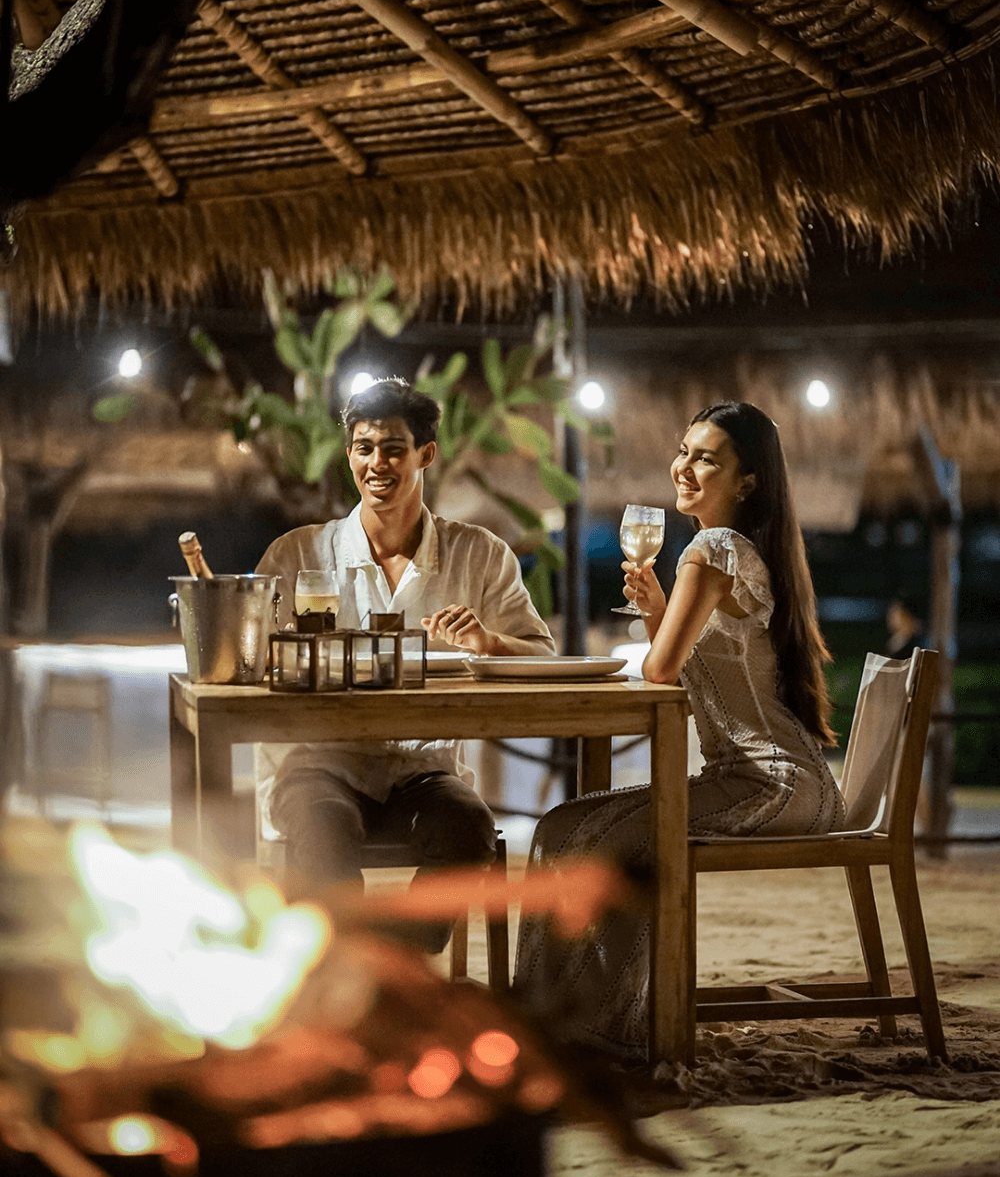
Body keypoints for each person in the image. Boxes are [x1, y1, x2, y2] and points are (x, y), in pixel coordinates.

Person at [513, 401, 844, 1058]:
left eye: (706, 457)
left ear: (747, 480)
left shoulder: (714, 547)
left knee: (593, 836)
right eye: (684, 450)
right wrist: (664, 608)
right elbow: (695, 670)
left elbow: (661, 670)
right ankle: (562, 1018)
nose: (685, 466)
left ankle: (592, 1027)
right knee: (560, 827)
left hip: (771, 782)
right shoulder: (738, 548)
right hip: (769, 777)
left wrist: (664, 623)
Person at [255, 378, 555, 947]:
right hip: (319, 763)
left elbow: (540, 654)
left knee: (468, 827)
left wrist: (490, 643)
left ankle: (387, 966)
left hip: (423, 770)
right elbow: (257, 664)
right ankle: (344, 981)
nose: (378, 463)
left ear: (426, 455)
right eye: (364, 448)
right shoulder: (298, 554)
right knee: (323, 833)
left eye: (394, 448)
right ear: (348, 455)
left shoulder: (479, 555)